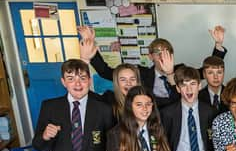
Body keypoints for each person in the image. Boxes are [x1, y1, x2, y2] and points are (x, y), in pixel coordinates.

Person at [77, 25, 227, 110]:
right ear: (150, 56)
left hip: (177, 116)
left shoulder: (180, 70)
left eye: (166, 52)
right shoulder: (140, 73)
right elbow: (105, 72)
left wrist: (218, 46)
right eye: (158, 53)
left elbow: (206, 71)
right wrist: (90, 45)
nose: (162, 56)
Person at [161, 66, 218, 151]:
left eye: (193, 84)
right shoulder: (168, 113)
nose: (189, 89)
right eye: (184, 85)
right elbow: (163, 144)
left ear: (199, 86)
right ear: (177, 88)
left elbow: (213, 142)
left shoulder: (210, 111)